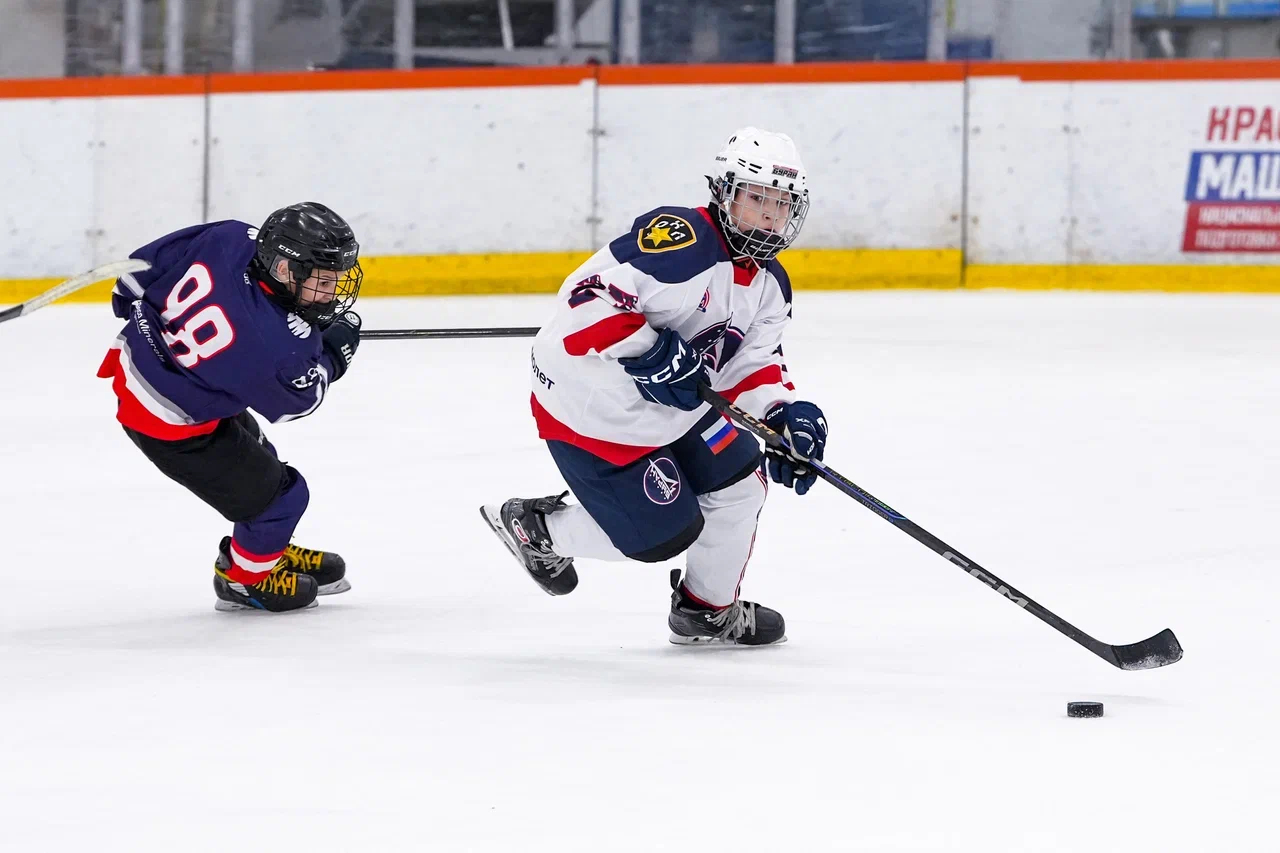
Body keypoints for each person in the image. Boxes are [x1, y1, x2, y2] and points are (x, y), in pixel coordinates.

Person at [481, 127, 829, 645]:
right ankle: (536, 530)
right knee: (662, 533)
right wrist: (651, 351)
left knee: (740, 486)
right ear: (726, 193)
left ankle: (705, 611)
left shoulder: (769, 283)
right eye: (758, 199)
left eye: (782, 204)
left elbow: (748, 365)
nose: (772, 216)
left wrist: (783, 415)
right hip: (593, 408)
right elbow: (585, 300)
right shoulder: (681, 241)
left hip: (676, 407)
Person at [96, 202, 364, 613]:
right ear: (283, 270)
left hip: (154, 374)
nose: (331, 292)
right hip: (170, 424)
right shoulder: (273, 347)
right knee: (283, 498)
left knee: (261, 458)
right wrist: (332, 355)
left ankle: (262, 547)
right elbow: (300, 400)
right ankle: (243, 580)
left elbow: (137, 272)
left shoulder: (232, 238)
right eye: (322, 281)